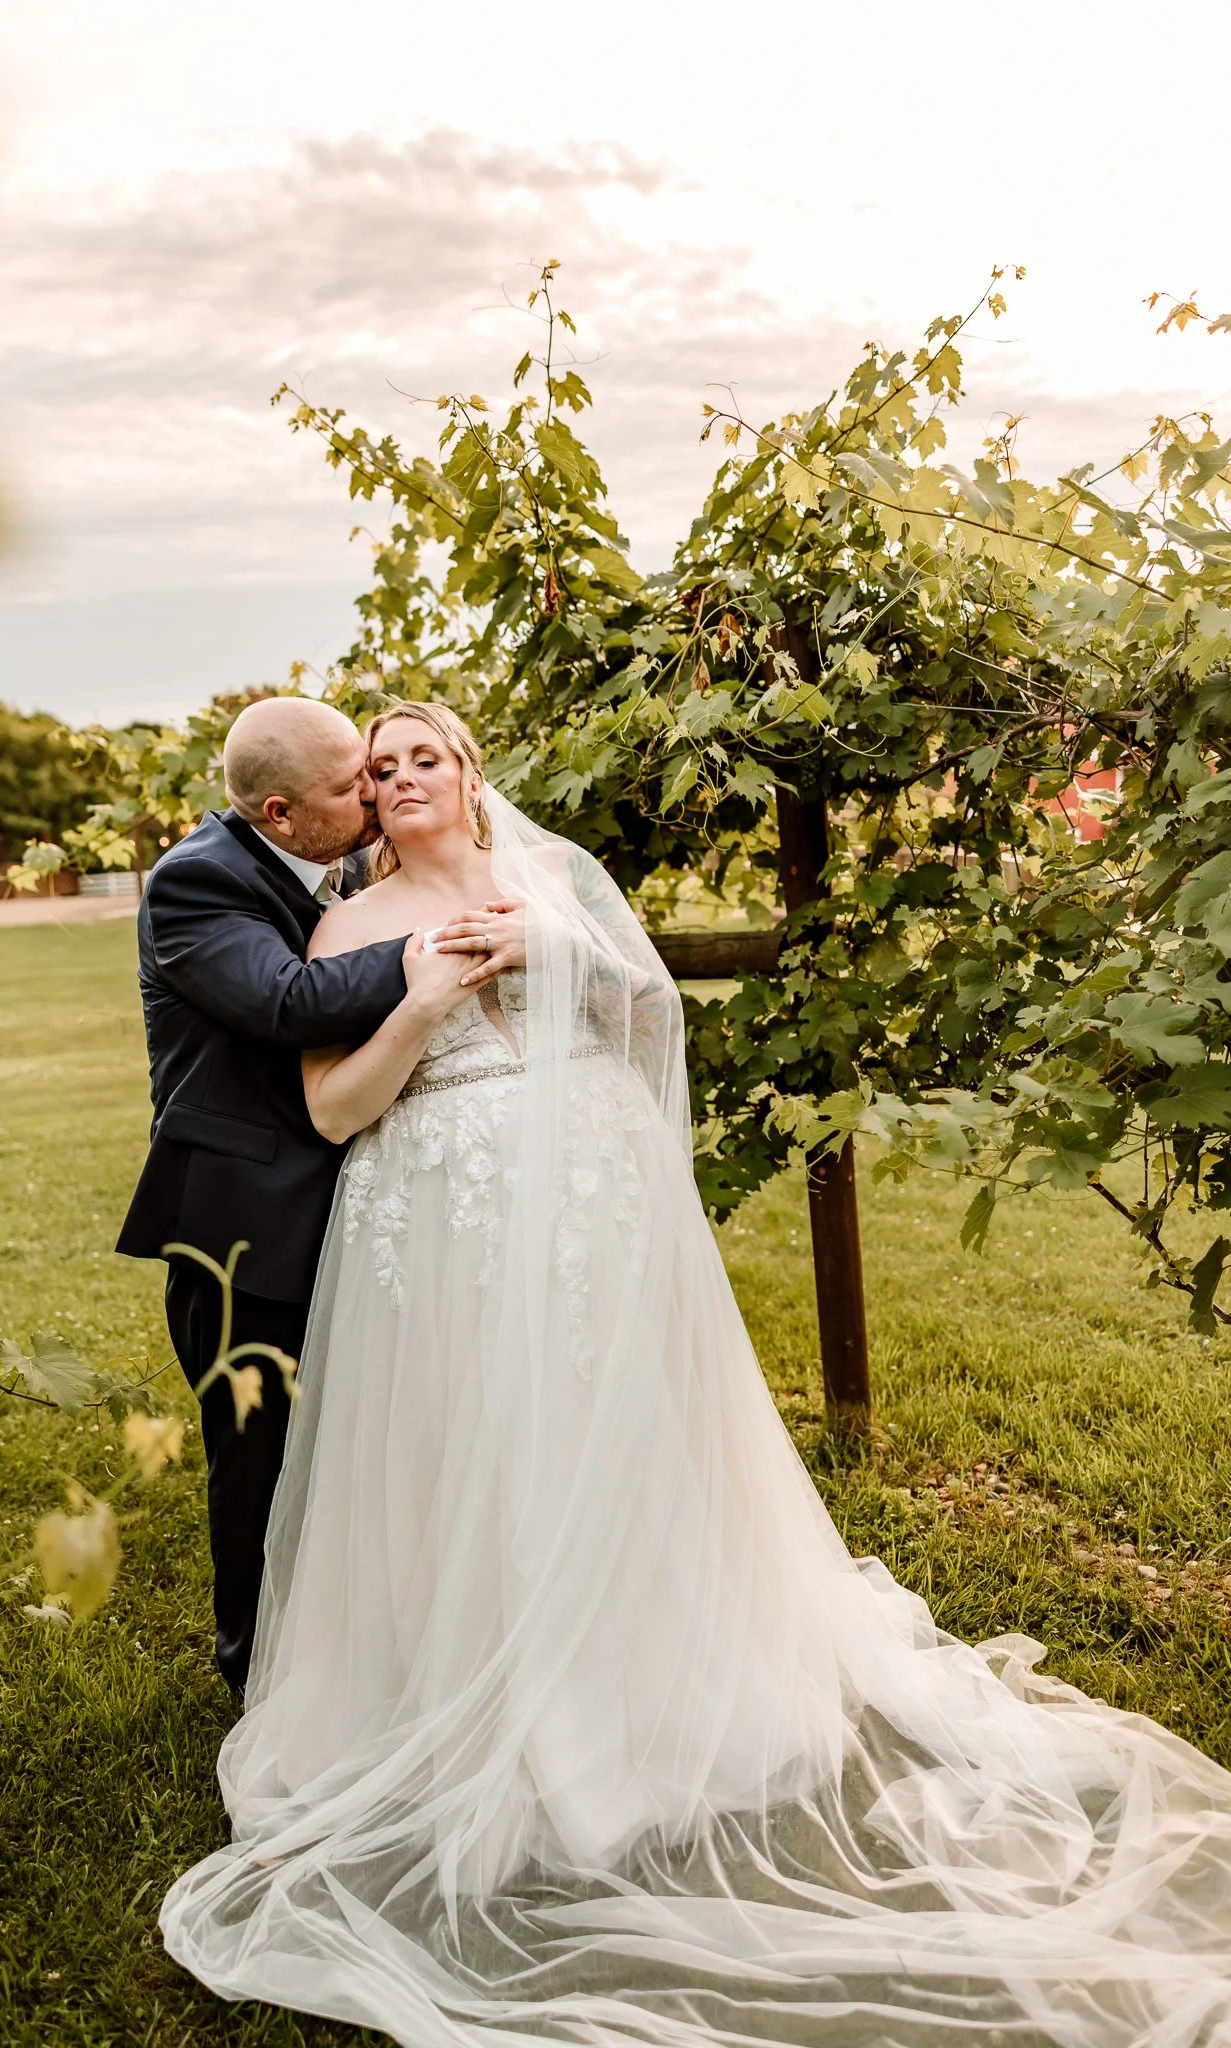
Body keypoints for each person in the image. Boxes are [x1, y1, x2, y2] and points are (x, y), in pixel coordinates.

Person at [161, 702, 1231, 2045]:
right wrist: (427, 994)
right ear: (357, 802)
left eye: (420, 752)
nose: (398, 775)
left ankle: (662, 1692)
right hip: (440, 1223)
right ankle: (493, 1709)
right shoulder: (348, 927)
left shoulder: (553, 880)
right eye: (377, 768)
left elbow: (644, 1007)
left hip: (593, 1210)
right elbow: (329, 1108)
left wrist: (549, 952)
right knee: (474, 1452)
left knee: (628, 1441)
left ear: (469, 767)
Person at [115, 696, 522, 1696]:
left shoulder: (334, 862)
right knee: (262, 1464)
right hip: (247, 1229)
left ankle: (373, 1656)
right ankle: (254, 1679)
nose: (378, 792)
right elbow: (290, 1002)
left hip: (369, 1205)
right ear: (283, 812)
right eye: (355, 783)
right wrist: (435, 944)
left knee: (371, 1453)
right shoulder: (196, 883)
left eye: (381, 769)